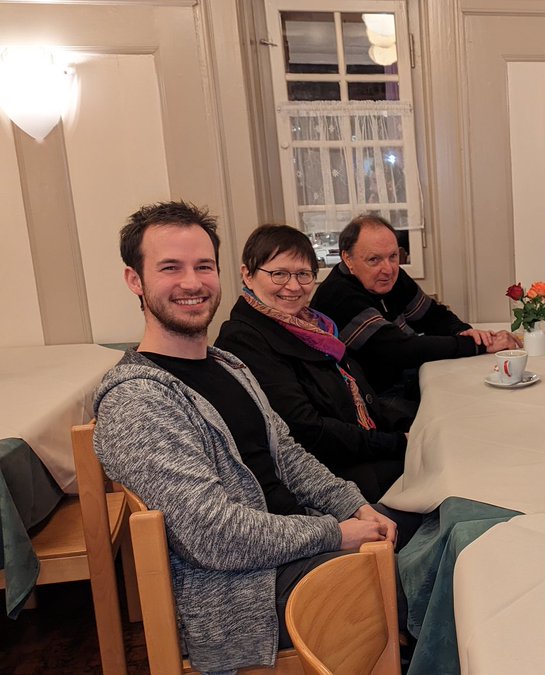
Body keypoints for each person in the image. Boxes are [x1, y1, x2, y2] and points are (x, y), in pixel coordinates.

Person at [94, 202, 422, 674]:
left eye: (203, 266)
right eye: (171, 268)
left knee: (449, 519)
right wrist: (337, 532)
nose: (192, 282)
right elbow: (215, 535)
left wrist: (353, 505)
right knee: (435, 565)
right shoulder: (138, 402)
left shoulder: (227, 365)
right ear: (135, 280)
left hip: (291, 542)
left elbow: (287, 456)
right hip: (245, 592)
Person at [215, 224, 409, 502]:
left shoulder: (312, 325)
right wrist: (399, 442)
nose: (293, 287)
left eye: (303, 274)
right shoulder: (244, 338)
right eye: (279, 274)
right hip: (326, 478)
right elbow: (308, 430)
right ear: (247, 274)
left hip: (355, 451)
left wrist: (406, 429)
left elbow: (359, 397)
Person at [310, 214, 520, 395]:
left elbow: (432, 315)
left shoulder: (391, 276)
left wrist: (465, 332)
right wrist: (477, 345)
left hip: (402, 378)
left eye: (393, 256)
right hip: (373, 401)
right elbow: (398, 350)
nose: (388, 269)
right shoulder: (339, 295)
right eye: (374, 260)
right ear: (347, 258)